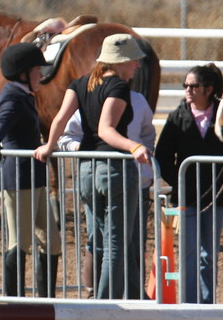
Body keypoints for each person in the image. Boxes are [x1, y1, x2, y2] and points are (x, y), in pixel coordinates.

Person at [34, 33, 150, 301]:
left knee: (103, 241)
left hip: (87, 172)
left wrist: (49, 146)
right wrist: (134, 146)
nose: (137, 66)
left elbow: (61, 118)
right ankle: (107, 311)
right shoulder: (118, 87)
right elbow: (106, 130)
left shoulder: (79, 84)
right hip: (114, 170)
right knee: (117, 245)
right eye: (134, 61)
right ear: (120, 62)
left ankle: (132, 305)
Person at [155, 63, 223, 304]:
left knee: (209, 254)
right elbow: (163, 155)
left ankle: (206, 306)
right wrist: (179, 182)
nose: (187, 90)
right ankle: (187, 304)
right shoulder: (178, 116)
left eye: (193, 85)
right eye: (185, 85)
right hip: (185, 198)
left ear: (208, 89)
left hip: (215, 199)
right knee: (188, 253)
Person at [58, 90, 155, 299]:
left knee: (132, 241)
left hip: (135, 181)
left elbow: (148, 134)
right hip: (99, 177)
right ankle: (96, 295)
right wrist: (87, 149)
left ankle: (130, 296)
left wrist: (147, 167)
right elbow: (66, 137)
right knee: (99, 239)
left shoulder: (138, 100)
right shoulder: (89, 99)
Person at [0, 43, 62, 297]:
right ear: (22, 74)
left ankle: (46, 302)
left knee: (51, 241)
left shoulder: (24, 95)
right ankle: (14, 302)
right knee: (19, 242)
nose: (41, 74)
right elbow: (3, 121)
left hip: (35, 177)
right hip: (17, 179)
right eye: (36, 70)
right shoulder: (11, 96)